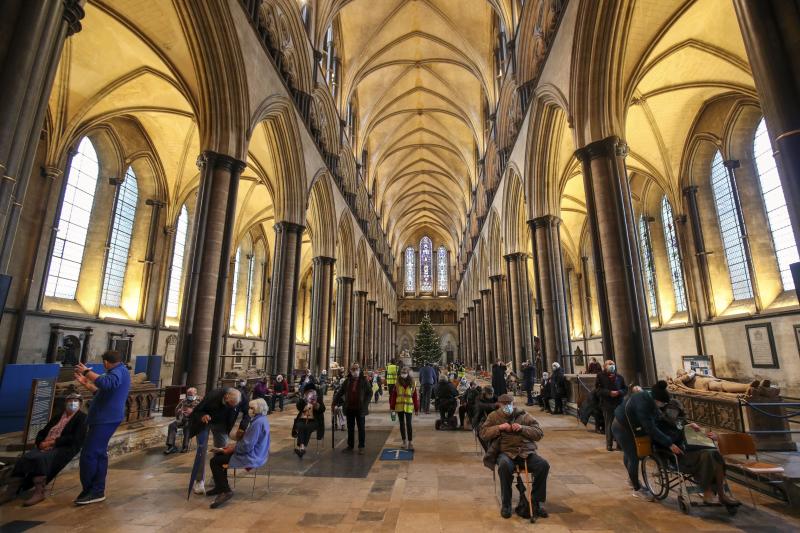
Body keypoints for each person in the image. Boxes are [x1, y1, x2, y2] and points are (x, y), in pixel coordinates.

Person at [1, 393, 87, 507]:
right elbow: (43, 431)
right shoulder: (58, 416)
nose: (72, 403)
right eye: (70, 401)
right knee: (25, 458)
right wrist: (40, 443)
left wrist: (53, 442)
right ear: (65, 403)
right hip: (46, 445)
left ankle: (39, 491)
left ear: (80, 404)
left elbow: (75, 438)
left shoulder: (82, 418)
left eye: (75, 401)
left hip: (64, 447)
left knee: (41, 459)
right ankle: (11, 491)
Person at [73, 351, 131, 505]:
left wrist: (87, 371)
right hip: (105, 418)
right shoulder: (120, 371)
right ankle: (97, 490)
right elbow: (103, 392)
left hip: (106, 418)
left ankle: (91, 490)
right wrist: (86, 383)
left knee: (89, 454)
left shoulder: (118, 372)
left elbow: (107, 383)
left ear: (105, 363)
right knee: (99, 454)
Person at [656, 398, 739, 506]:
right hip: (677, 455)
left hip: (692, 451)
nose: (673, 411)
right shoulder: (661, 422)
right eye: (670, 409)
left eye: (675, 409)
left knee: (716, 454)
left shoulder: (680, 421)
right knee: (708, 455)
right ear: (666, 409)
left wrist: (708, 436)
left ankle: (721, 494)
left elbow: (693, 436)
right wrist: (684, 430)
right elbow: (666, 440)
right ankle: (707, 491)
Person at [480, 394, 550, 519]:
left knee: (543, 465)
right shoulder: (494, 416)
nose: (507, 406)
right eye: (504, 404)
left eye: (509, 403)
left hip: (525, 452)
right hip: (506, 452)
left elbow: (539, 433)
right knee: (504, 466)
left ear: (513, 404)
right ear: (499, 405)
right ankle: (506, 504)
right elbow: (483, 433)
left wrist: (523, 428)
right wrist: (499, 427)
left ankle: (535, 502)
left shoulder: (524, 415)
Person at [611, 381, 680, 501]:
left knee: (628, 454)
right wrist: (669, 443)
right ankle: (637, 489)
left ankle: (631, 479)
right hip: (622, 428)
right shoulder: (643, 404)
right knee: (633, 456)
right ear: (657, 400)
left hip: (627, 424)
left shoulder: (648, 398)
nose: (663, 405)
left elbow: (657, 416)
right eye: (662, 403)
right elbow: (650, 428)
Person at [208, 398, 270, 509]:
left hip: (252, 455)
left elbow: (247, 446)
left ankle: (226, 491)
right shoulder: (261, 419)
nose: (249, 410)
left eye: (252, 408)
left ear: (259, 409)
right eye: (250, 408)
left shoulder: (257, 423)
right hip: (257, 452)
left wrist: (231, 449)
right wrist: (232, 447)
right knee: (219, 455)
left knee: (214, 461)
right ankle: (220, 486)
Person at [188, 387, 249, 494]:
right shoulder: (213, 396)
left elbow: (247, 413)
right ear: (225, 398)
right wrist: (203, 415)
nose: (232, 407)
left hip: (222, 424)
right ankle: (199, 481)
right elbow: (197, 411)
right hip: (206, 422)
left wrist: (242, 427)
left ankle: (217, 478)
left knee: (222, 450)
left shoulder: (241, 397)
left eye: (234, 406)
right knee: (201, 450)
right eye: (230, 405)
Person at [333, 363, 372, 454]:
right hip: (350, 407)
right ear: (350, 370)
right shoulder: (347, 381)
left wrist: (365, 404)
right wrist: (334, 402)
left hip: (360, 408)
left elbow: (370, 392)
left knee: (361, 428)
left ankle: (361, 446)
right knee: (350, 428)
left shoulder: (363, 380)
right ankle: (350, 446)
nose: (355, 371)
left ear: (359, 369)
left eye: (356, 369)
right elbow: (340, 392)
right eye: (353, 369)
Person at [595, 360, 627, 451]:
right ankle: (609, 444)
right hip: (607, 403)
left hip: (619, 403)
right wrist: (609, 393)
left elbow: (625, 388)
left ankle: (619, 444)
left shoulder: (619, 377)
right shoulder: (600, 376)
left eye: (613, 364)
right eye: (609, 364)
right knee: (609, 424)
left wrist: (619, 392)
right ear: (605, 366)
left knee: (620, 424)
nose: (611, 366)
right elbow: (598, 390)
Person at [389, 368, 419, 450]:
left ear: (408, 373)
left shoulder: (412, 383)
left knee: (409, 424)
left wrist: (416, 408)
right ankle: (404, 441)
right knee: (402, 424)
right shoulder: (397, 383)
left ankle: (410, 442)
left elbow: (415, 396)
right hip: (399, 406)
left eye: (405, 372)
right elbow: (394, 395)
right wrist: (392, 407)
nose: (404, 374)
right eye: (402, 372)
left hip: (409, 406)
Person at [164, 387, 200, 454]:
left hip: (193, 421)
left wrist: (193, 411)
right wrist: (179, 411)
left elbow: (202, 412)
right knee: (172, 425)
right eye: (188, 395)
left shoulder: (200, 401)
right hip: (182, 419)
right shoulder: (184, 401)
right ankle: (171, 446)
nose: (189, 396)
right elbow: (176, 409)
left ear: (195, 393)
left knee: (187, 426)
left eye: (191, 395)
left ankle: (185, 446)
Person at [292, 384, 325, 458]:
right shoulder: (304, 399)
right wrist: (303, 400)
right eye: (307, 392)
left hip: (314, 421)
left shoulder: (317, 398)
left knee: (307, 427)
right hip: (303, 419)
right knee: (300, 426)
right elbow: (298, 407)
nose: (309, 393)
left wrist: (316, 405)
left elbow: (323, 409)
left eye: (311, 391)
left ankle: (302, 447)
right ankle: (302, 447)